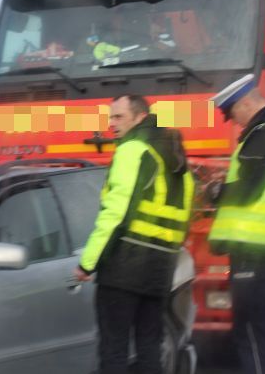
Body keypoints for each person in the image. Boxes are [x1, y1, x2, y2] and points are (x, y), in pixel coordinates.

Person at [74, 95, 194, 374]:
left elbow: (115, 214)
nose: (111, 124)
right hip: (161, 270)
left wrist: (87, 263)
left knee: (114, 350)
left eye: (118, 117)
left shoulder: (132, 150)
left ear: (140, 117)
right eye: (110, 117)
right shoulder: (177, 161)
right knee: (150, 347)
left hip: (123, 267)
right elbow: (185, 217)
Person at [208, 74, 265, 373]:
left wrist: (216, 190)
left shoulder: (262, 130)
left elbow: (247, 191)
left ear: (247, 103)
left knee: (252, 334)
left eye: (233, 113)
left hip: (255, 253)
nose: (234, 122)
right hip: (261, 252)